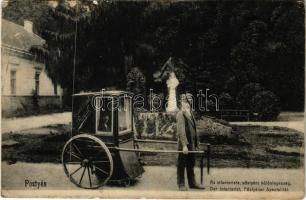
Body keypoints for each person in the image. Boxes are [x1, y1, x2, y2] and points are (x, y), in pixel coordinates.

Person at [176, 93, 205, 191]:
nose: (188, 102)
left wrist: (197, 143)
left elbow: (194, 129)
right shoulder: (181, 114)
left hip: (191, 143)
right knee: (181, 164)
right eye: (185, 101)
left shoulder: (190, 112)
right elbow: (181, 131)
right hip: (184, 144)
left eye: (190, 100)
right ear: (182, 102)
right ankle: (181, 184)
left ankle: (192, 183)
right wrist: (184, 145)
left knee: (191, 163)